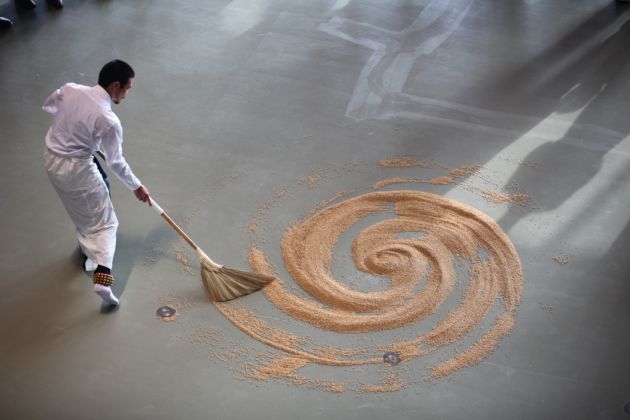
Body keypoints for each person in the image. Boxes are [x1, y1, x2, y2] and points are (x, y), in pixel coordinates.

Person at [43, 60, 151, 306]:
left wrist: (70, 123)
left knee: (81, 207)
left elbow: (50, 103)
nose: (127, 93)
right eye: (127, 88)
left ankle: (90, 251)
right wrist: (137, 186)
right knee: (106, 225)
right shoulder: (109, 120)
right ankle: (103, 276)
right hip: (76, 169)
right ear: (115, 86)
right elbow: (115, 162)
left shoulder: (71, 88)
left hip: (51, 157)